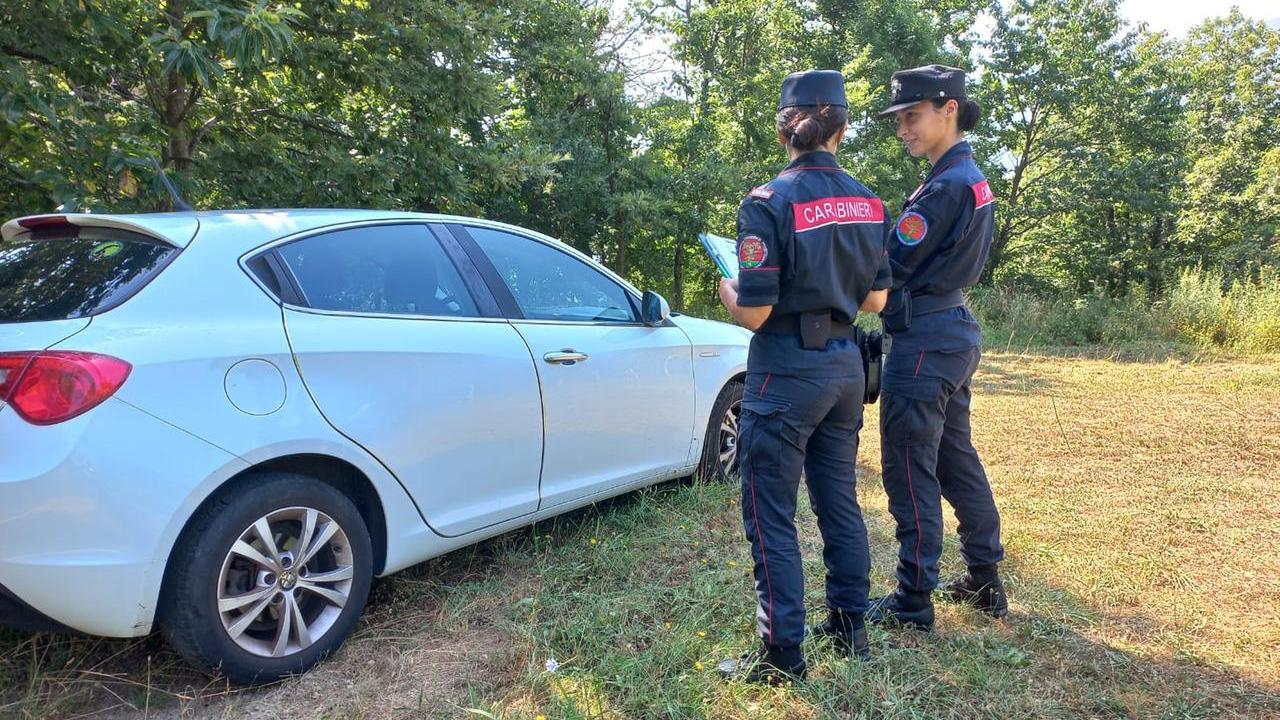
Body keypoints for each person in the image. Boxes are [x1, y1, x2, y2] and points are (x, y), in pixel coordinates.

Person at [715, 69, 890, 683]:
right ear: (842, 127)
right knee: (839, 501)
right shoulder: (870, 203)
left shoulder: (767, 203)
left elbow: (756, 309)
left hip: (786, 372)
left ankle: (782, 655)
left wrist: (726, 289)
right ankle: (850, 625)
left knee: (770, 514)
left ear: (785, 128)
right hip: (846, 368)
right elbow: (876, 301)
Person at [866, 64, 1008, 632]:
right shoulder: (967, 176)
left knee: (909, 467)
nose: (903, 128)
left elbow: (890, 266)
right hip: (950, 328)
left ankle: (913, 599)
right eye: (899, 119)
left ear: (949, 109)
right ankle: (984, 578)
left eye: (912, 116)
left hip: (924, 339)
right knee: (953, 458)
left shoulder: (945, 186)